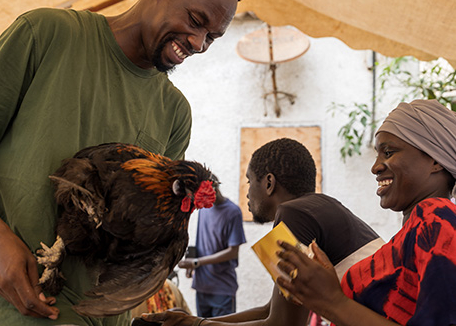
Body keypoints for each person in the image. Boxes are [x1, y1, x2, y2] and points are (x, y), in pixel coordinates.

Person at [0, 0, 244, 326]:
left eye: (212, 37)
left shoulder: (174, 113)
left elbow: (142, 237)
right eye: (195, 21)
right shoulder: (47, 34)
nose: (198, 44)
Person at [143, 137, 384, 326]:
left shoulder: (293, 212)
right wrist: (194, 321)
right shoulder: (322, 205)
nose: (247, 193)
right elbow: (272, 310)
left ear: (269, 183)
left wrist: (196, 325)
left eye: (249, 181)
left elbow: (282, 324)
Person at [275, 99, 456, 326]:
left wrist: (332, 301)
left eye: (388, 152)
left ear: (434, 161)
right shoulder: (415, 230)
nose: (375, 167)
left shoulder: (436, 219)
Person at [177, 175, 246, 317]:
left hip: (222, 288)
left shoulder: (233, 212)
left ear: (214, 187)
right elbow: (202, 239)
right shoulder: (204, 208)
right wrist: (191, 262)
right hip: (202, 286)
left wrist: (197, 262)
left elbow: (233, 252)